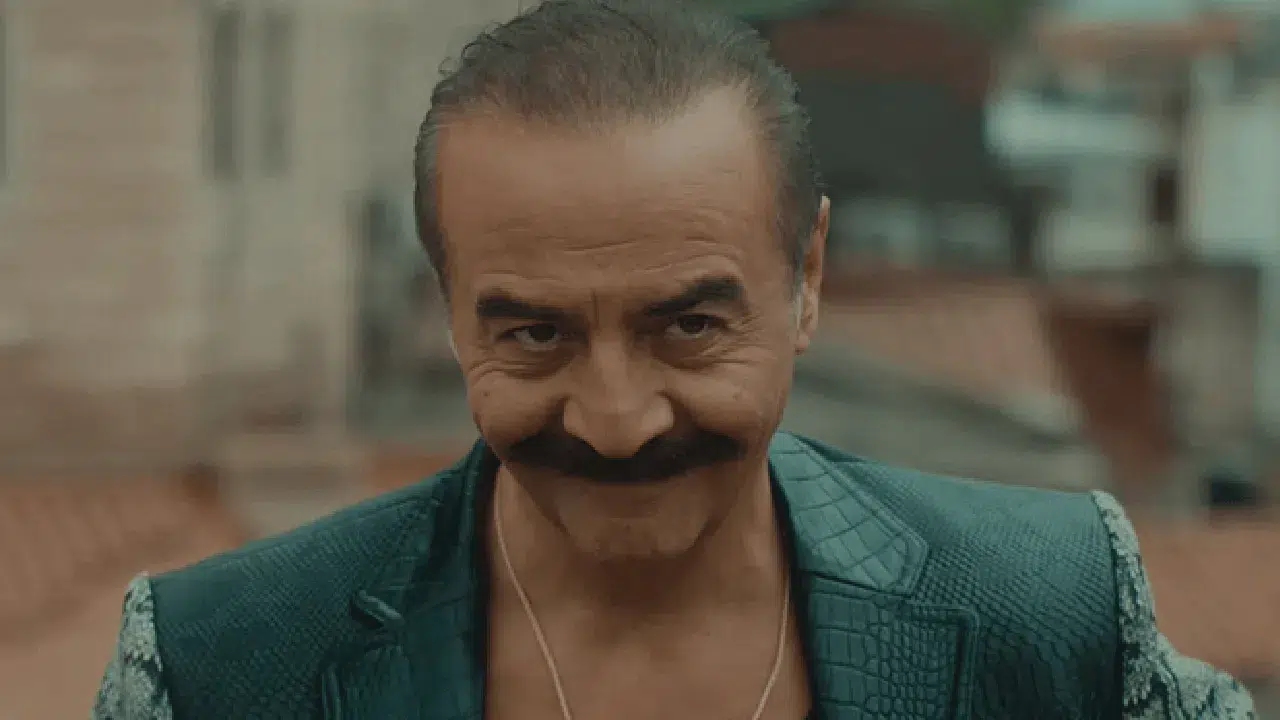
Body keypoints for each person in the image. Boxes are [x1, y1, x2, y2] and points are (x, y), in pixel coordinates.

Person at [93, 1, 1256, 718]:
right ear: (448, 314)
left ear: (806, 278)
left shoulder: (1054, 619)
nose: (615, 418)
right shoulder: (216, 671)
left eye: (688, 327)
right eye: (534, 334)